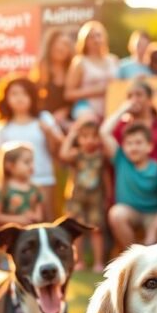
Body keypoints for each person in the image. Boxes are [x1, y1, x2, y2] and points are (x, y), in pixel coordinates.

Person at [0, 76, 63, 220]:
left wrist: (49, 132)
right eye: (14, 94)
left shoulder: (43, 118)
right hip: (15, 185)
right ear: (6, 98)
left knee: (46, 218)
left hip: (43, 178)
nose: (19, 98)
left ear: (32, 96)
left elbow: (60, 146)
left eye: (24, 94)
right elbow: (0, 158)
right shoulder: (3, 127)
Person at [99, 116, 157, 250]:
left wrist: (154, 228)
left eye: (138, 143)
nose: (133, 147)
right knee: (116, 213)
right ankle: (133, 253)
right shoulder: (121, 159)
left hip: (152, 213)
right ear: (123, 146)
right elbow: (104, 132)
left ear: (150, 146)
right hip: (130, 211)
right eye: (129, 143)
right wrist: (126, 107)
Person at [58, 116, 107, 272]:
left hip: (96, 198)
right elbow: (63, 154)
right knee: (77, 230)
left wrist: (109, 196)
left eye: (94, 136)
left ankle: (98, 262)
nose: (89, 140)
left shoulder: (101, 156)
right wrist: (71, 134)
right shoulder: (76, 155)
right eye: (85, 137)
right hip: (77, 198)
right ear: (79, 139)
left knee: (96, 230)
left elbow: (105, 178)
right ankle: (78, 261)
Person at [109, 80, 157, 161]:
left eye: (139, 95)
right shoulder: (121, 126)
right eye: (130, 96)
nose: (133, 100)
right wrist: (121, 110)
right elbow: (105, 134)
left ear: (149, 99)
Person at [65, 20, 119, 119]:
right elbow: (68, 94)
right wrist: (98, 90)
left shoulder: (113, 60)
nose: (96, 40)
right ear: (84, 41)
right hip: (87, 107)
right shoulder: (80, 62)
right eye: (91, 37)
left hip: (111, 106)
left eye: (98, 35)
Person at [0, 142, 44, 228]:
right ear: (10, 166)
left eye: (32, 161)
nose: (31, 166)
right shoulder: (3, 189)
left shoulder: (35, 188)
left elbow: (39, 215)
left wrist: (33, 217)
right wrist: (18, 219)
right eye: (27, 162)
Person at [36, 29, 76, 129]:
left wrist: (65, 111)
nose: (61, 48)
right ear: (50, 47)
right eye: (58, 45)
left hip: (71, 117)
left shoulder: (74, 69)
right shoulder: (41, 69)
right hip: (46, 119)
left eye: (65, 45)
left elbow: (77, 99)